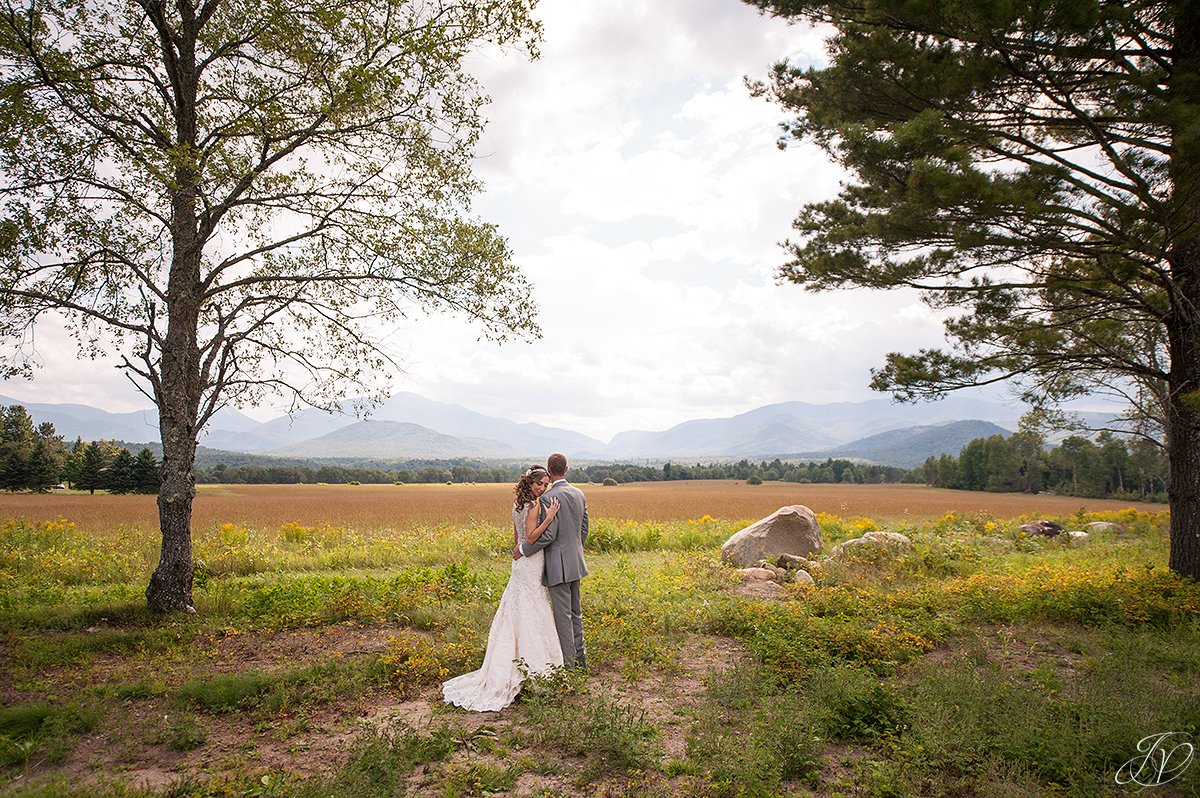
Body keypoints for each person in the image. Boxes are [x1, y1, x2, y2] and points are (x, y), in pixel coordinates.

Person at [441, 466, 564, 711]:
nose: (543, 488)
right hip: (530, 561)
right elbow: (529, 538)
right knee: (532, 605)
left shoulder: (517, 505)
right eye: (539, 484)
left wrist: (516, 552)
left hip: (519, 562)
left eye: (546, 485)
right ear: (530, 483)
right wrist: (549, 518)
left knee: (518, 606)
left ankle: (517, 659)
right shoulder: (534, 505)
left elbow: (516, 536)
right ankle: (534, 665)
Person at [516, 452, 588, 669]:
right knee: (576, 613)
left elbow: (548, 536)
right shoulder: (579, 494)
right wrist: (574, 549)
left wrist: (523, 549)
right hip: (576, 562)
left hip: (558, 566)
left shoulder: (547, 498)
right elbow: (584, 528)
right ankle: (581, 662)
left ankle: (569, 666)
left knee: (563, 617)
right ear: (567, 469)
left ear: (549, 471)